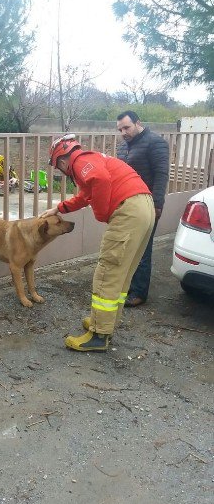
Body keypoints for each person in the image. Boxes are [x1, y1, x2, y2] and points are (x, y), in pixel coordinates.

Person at [43, 134, 155, 352]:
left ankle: (98, 334)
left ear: (62, 161)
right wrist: (59, 209)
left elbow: (101, 181)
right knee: (122, 273)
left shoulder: (81, 162)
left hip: (128, 211)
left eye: (58, 167)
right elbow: (87, 194)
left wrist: (102, 214)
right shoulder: (91, 159)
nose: (62, 171)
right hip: (143, 207)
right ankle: (106, 321)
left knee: (108, 272)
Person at [116, 111, 169, 307]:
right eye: (120, 129)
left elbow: (161, 175)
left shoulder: (156, 143)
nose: (123, 132)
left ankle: (139, 293)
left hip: (147, 205)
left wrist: (157, 205)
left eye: (127, 127)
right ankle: (128, 286)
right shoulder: (123, 147)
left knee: (143, 249)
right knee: (128, 246)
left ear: (138, 123)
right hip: (127, 205)